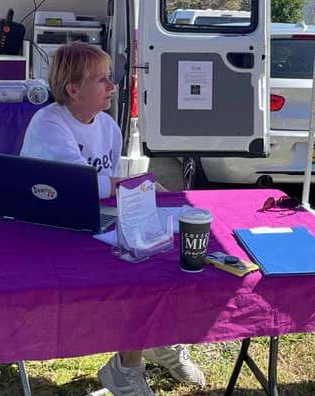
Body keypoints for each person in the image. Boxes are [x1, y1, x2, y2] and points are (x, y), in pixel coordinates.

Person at [20, 42, 205, 396]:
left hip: (94, 222)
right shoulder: (48, 123)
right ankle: (127, 368)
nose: (113, 86)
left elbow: (106, 186)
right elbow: (78, 184)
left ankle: (157, 340)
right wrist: (139, 186)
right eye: (101, 79)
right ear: (73, 89)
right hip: (53, 233)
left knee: (158, 257)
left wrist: (136, 197)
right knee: (134, 271)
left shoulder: (107, 125)